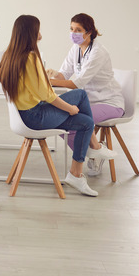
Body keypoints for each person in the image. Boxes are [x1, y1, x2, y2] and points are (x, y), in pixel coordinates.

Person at [0, 15, 113, 197]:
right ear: (31, 33)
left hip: (23, 116)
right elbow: (47, 95)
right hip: (35, 117)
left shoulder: (10, 56)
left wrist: (44, 78)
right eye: (38, 30)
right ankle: (92, 152)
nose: (40, 35)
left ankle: (78, 172)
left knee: (86, 123)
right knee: (81, 96)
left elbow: (34, 87)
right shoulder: (31, 58)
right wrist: (70, 108)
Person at [47, 13, 121, 176]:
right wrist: (52, 74)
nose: (73, 33)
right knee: (58, 120)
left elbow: (76, 84)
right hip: (87, 102)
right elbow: (64, 75)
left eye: (78, 30)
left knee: (75, 120)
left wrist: (48, 83)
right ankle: (95, 151)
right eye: (71, 29)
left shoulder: (98, 52)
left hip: (108, 102)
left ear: (89, 32)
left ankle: (94, 153)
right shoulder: (75, 49)